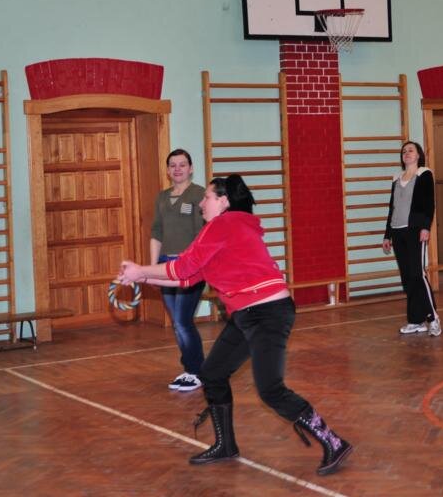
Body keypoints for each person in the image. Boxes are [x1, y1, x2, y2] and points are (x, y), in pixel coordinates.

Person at [117, 175, 353, 475]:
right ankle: (225, 445)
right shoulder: (221, 229)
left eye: (207, 198)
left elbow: (183, 268)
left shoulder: (225, 224)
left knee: (270, 390)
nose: (202, 203)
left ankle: (334, 442)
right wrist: (141, 276)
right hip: (247, 314)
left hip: (267, 313)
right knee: (212, 373)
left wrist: (141, 270)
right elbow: (189, 277)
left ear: (224, 201)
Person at [150, 149, 208, 392]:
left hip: (188, 266)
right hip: (166, 264)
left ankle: (197, 371)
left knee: (183, 321)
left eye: (182, 165)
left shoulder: (199, 195)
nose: (177, 169)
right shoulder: (162, 197)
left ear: (191, 168)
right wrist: (153, 268)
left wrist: (189, 264)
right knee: (177, 323)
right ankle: (190, 369)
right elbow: (156, 232)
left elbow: (201, 235)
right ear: (167, 170)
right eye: (172, 165)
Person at [382, 141, 440, 336]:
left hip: (415, 231)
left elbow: (428, 204)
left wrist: (425, 227)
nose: (406, 153)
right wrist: (387, 234)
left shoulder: (424, 174)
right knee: (407, 278)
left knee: (418, 274)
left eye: (410, 150)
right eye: (404, 151)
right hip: (397, 232)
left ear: (418, 155)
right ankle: (415, 320)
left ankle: (433, 318)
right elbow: (392, 207)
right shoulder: (396, 178)